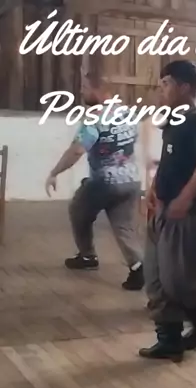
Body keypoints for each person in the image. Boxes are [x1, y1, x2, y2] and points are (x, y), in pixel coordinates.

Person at [139, 60, 196, 361]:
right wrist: (153, 189)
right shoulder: (174, 121)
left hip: (187, 215)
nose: (161, 90)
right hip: (163, 210)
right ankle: (169, 340)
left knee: (180, 283)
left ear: (185, 87)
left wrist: (186, 197)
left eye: (166, 84)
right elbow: (170, 161)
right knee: (156, 280)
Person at [44, 72, 145, 291]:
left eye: (85, 87)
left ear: (98, 90)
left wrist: (54, 172)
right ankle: (138, 267)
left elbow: (77, 150)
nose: (81, 91)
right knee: (123, 226)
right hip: (131, 180)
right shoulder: (128, 112)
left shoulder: (94, 118)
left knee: (78, 209)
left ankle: (87, 256)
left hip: (104, 182)